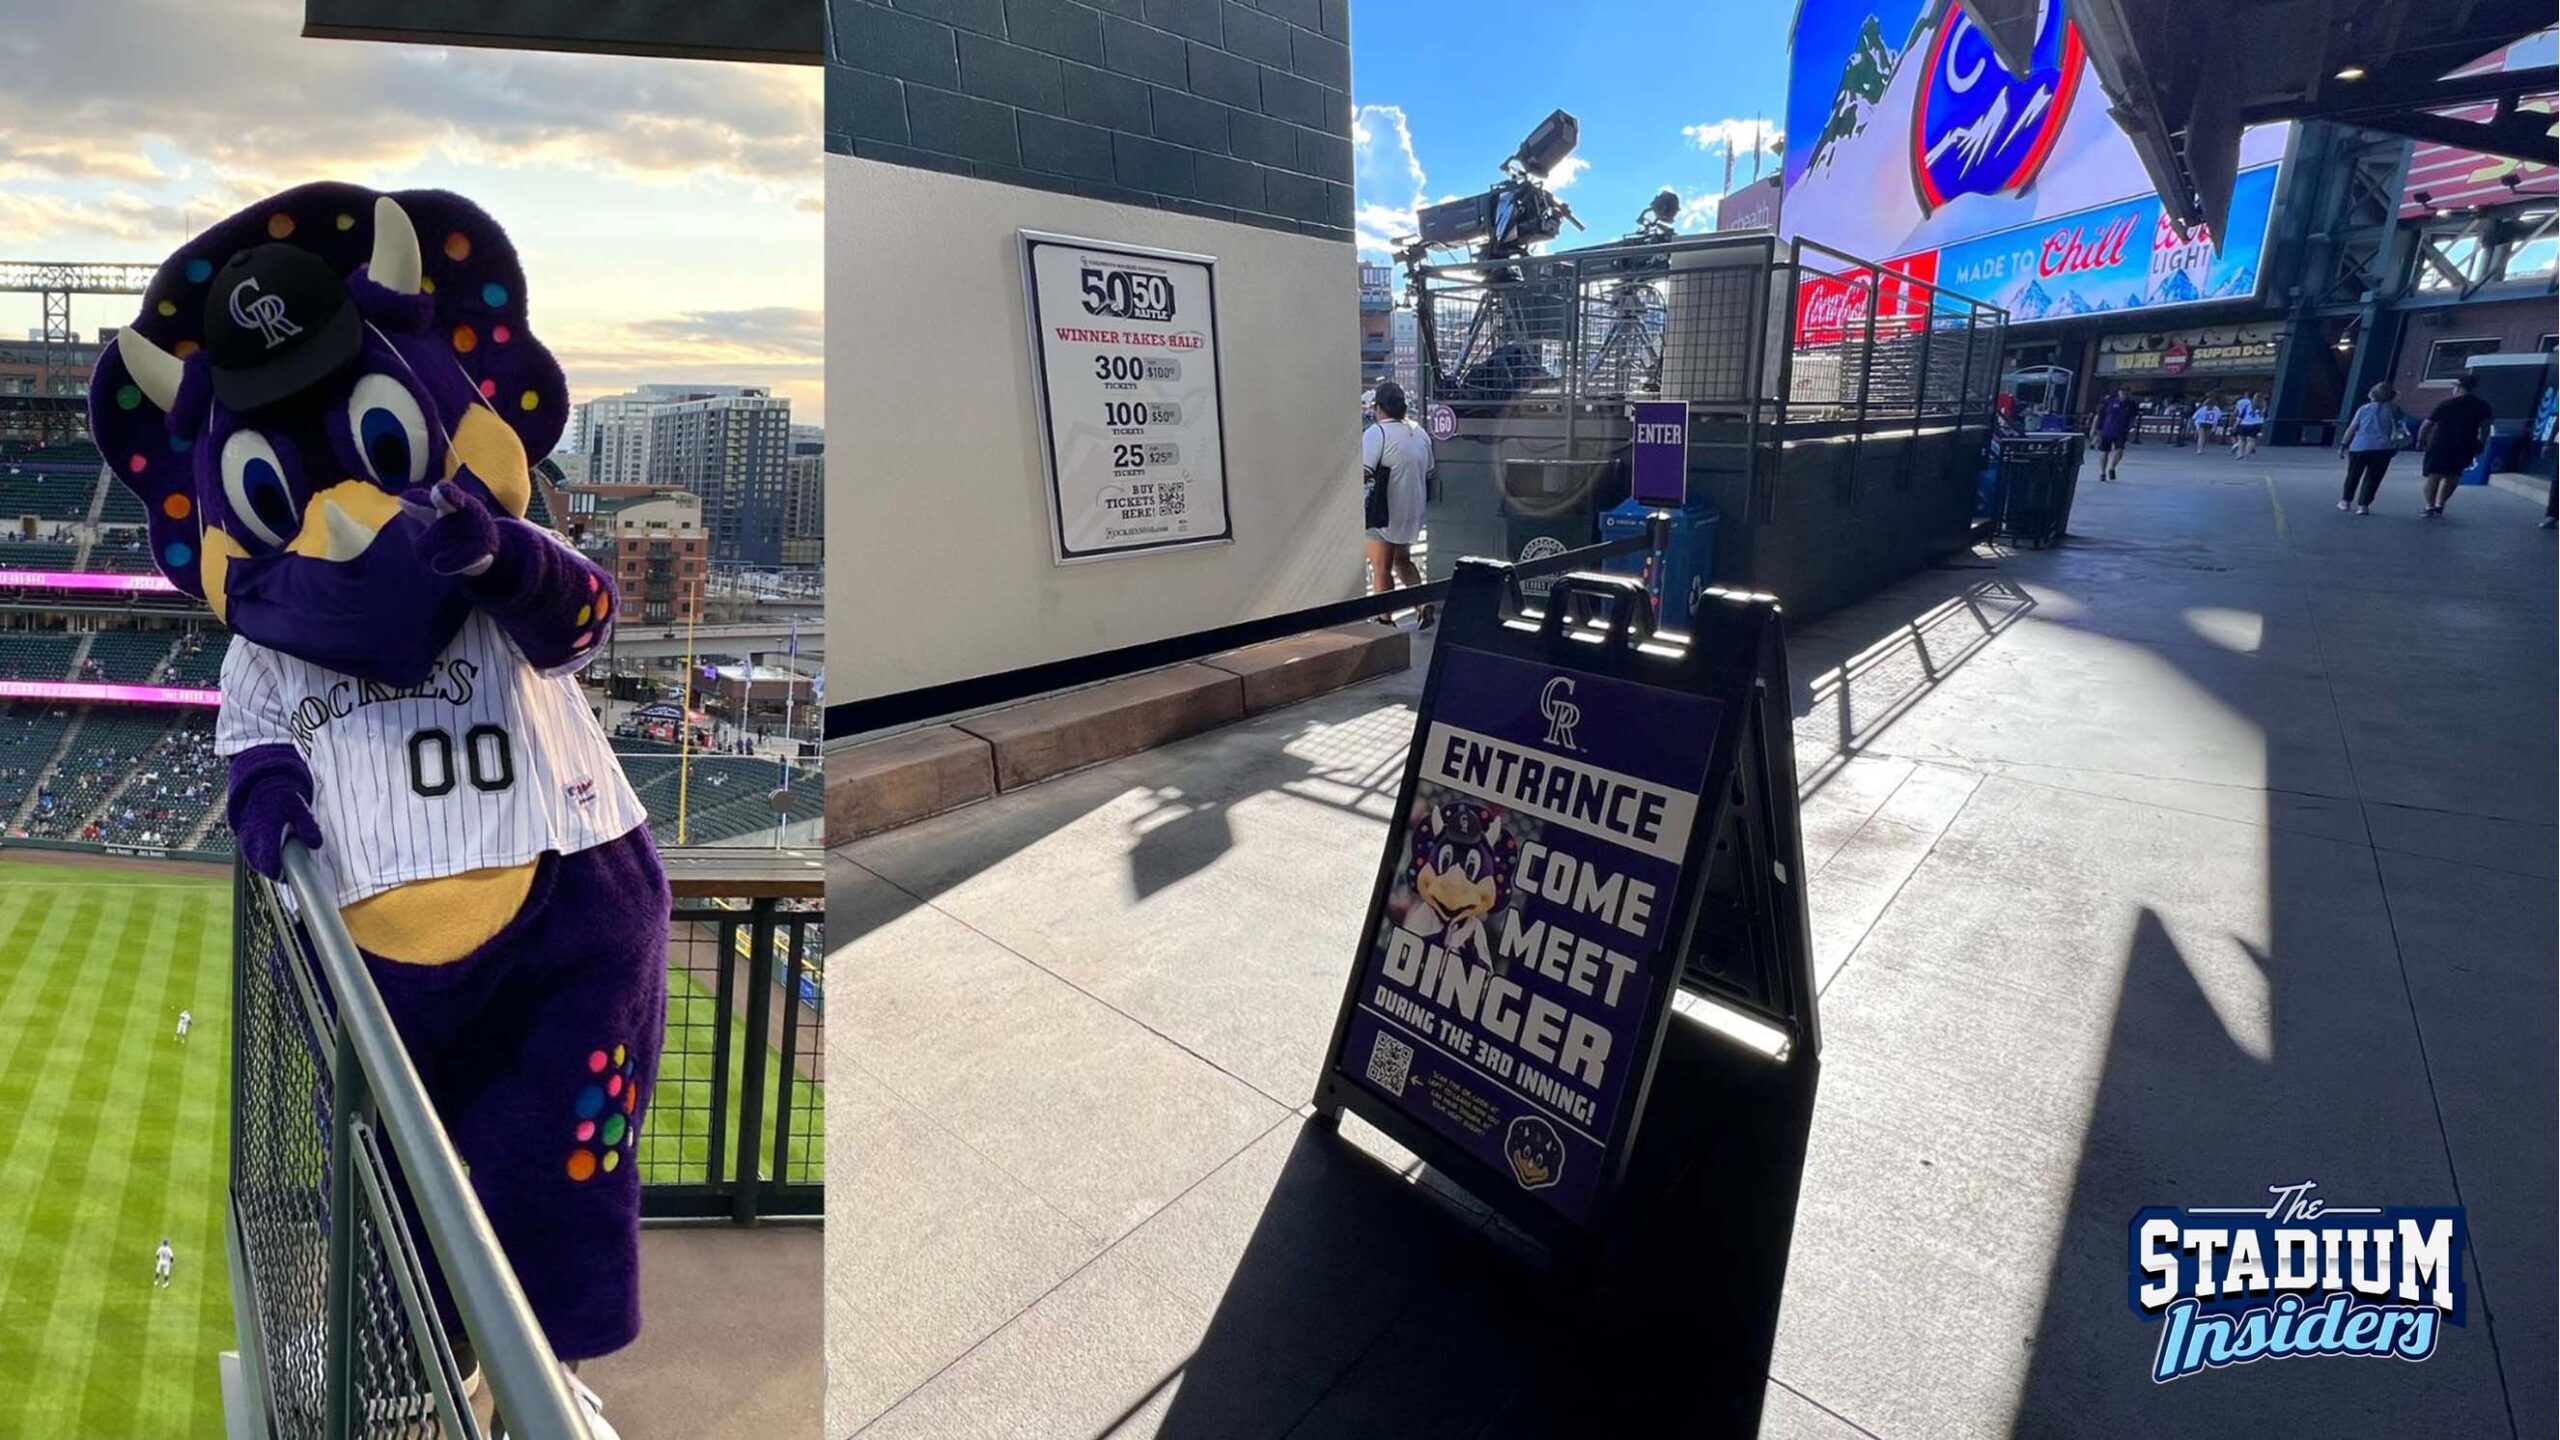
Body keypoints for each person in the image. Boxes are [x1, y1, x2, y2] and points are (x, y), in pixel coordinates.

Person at [1362, 380, 1433, 626]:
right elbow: (1429, 469)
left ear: (1379, 408)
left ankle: (1384, 618)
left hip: (1383, 512)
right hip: (1413, 510)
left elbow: (1364, 471)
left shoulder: (1377, 432)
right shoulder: (1419, 432)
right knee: (1402, 560)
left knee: (1381, 566)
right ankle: (1423, 604)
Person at [2415, 372, 2495, 518]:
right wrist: (2481, 443)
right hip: (2465, 444)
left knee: (2434, 476)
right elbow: (2486, 426)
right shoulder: (2481, 406)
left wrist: (2421, 440)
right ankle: (2440, 505)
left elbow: (2428, 424)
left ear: (2458, 387)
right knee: (2453, 476)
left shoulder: (2446, 405)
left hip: (2441, 443)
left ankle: (2429, 506)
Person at [2338, 383, 2415, 515]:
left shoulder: (2363, 409)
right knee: (2373, 478)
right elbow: (2399, 429)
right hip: (2383, 448)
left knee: (2353, 475)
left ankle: (2346, 501)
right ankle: (2363, 505)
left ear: (2372, 395)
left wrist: (2343, 445)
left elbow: (2352, 428)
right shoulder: (2396, 410)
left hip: (2359, 447)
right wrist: (2396, 446)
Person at [2090, 388, 2138, 481]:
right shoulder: (2109, 402)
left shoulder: (2131, 404)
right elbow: (2099, 416)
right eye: (2123, 392)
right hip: (2107, 431)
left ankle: (2112, 468)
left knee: (2119, 451)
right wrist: (2094, 429)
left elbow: (2133, 417)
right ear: (2119, 392)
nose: (2124, 394)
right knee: (2105, 452)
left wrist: (2132, 427)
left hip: (2121, 431)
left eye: (2126, 393)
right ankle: (2102, 472)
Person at [2231, 392, 2265, 458]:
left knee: (2241, 438)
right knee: (2251, 440)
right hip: (2257, 424)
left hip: (2246, 423)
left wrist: (2235, 425)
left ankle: (2240, 453)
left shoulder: (2248, 406)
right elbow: (2266, 416)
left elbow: (2241, 416)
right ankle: (2247, 453)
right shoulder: (2263, 407)